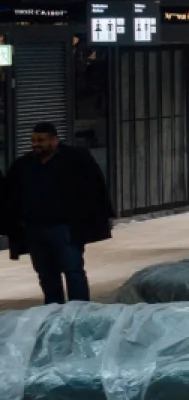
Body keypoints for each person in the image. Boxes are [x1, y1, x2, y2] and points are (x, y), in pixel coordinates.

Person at [1, 122, 112, 304]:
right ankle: (53, 310)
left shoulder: (75, 160)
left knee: (72, 269)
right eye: (33, 140)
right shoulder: (24, 165)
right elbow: (10, 194)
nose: (35, 144)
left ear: (54, 140)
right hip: (35, 229)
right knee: (46, 274)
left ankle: (79, 310)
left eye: (41, 140)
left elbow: (92, 190)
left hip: (65, 228)